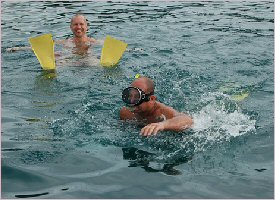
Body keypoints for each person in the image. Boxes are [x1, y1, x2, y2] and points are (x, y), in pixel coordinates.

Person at [120, 76, 193, 136]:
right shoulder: (126, 113)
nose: (132, 102)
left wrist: (162, 125)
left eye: (137, 97)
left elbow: (187, 120)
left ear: (151, 99)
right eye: (129, 96)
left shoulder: (162, 112)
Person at [6, 14, 103, 55]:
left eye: (81, 24)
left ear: (87, 27)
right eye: (75, 24)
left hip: (89, 62)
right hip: (70, 63)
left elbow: (109, 46)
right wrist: (18, 49)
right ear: (71, 27)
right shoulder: (65, 42)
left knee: (95, 62)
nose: (78, 27)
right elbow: (43, 47)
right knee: (57, 56)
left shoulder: (93, 42)